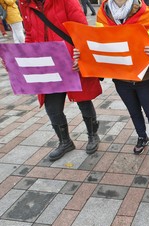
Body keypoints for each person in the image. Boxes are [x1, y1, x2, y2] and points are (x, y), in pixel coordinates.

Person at [18, 0, 102, 161]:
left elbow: (82, 30)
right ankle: (65, 142)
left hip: (70, 59)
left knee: (83, 99)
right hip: (46, 63)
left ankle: (93, 135)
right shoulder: (25, 3)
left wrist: (82, 57)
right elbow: (29, 33)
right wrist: (26, 56)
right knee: (52, 106)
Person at [95, 0, 149, 155]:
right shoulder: (103, 13)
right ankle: (142, 136)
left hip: (144, 76)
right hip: (121, 78)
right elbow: (98, 41)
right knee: (133, 111)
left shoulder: (144, 12)